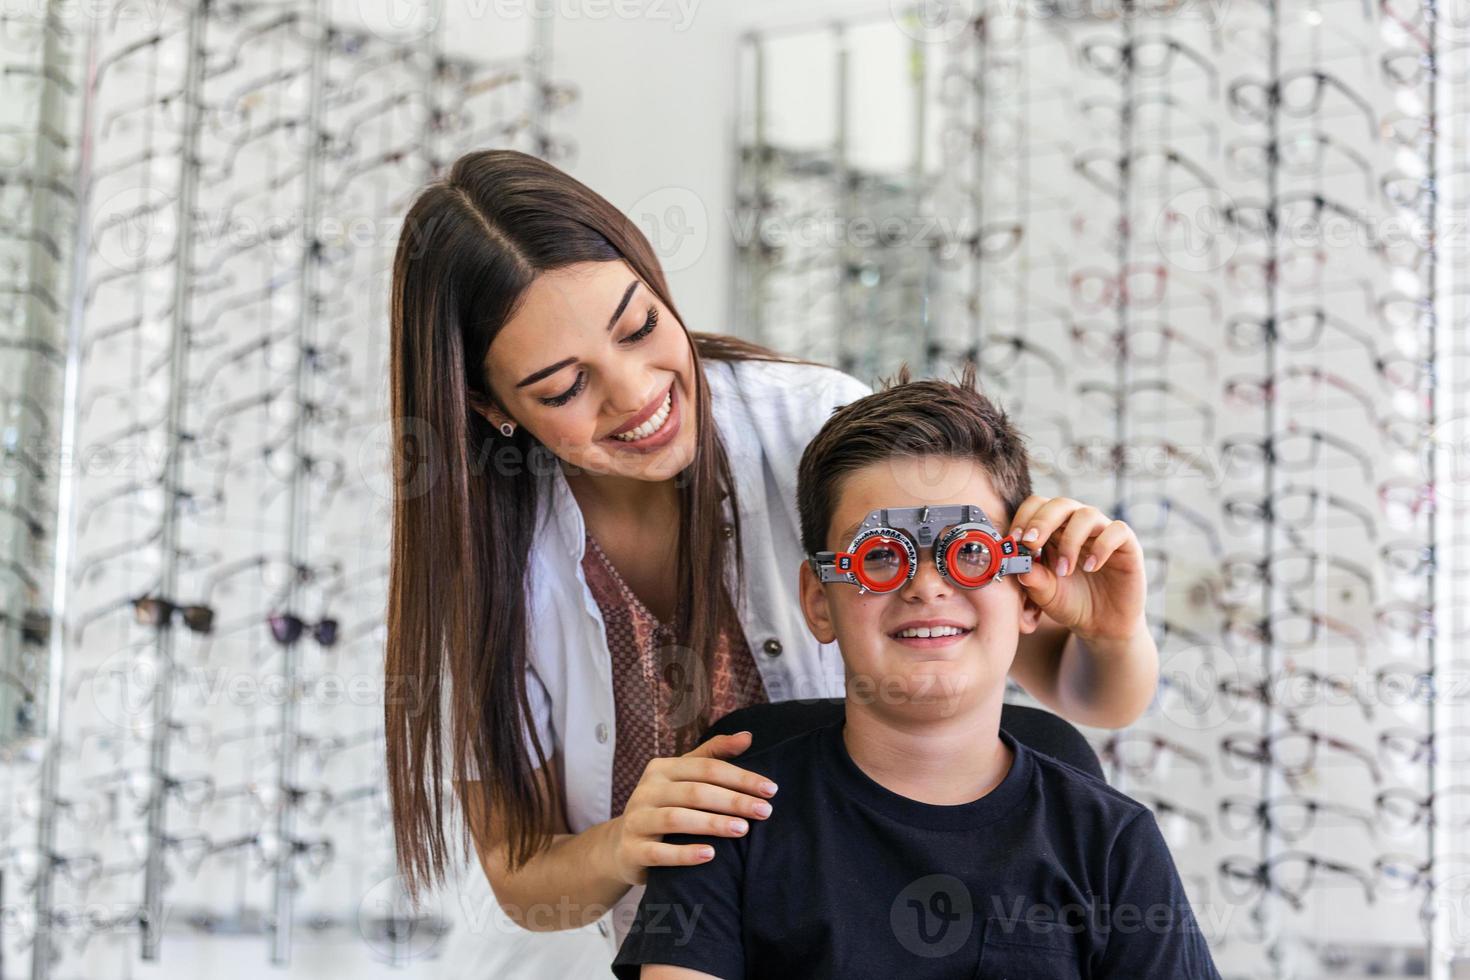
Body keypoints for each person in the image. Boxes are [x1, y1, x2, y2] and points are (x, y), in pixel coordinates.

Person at [382, 149, 1161, 968]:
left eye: (641, 327)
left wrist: (1111, 632)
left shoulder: (816, 431)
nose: (636, 393)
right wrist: (623, 844)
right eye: (561, 387)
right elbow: (522, 876)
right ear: (488, 405)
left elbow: (1081, 691)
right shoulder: (483, 565)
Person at [611, 366, 1219, 979]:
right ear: (820, 600)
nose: (928, 585)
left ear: (1030, 595)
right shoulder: (729, 810)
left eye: (969, 552)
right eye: (881, 556)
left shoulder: (1109, 843)